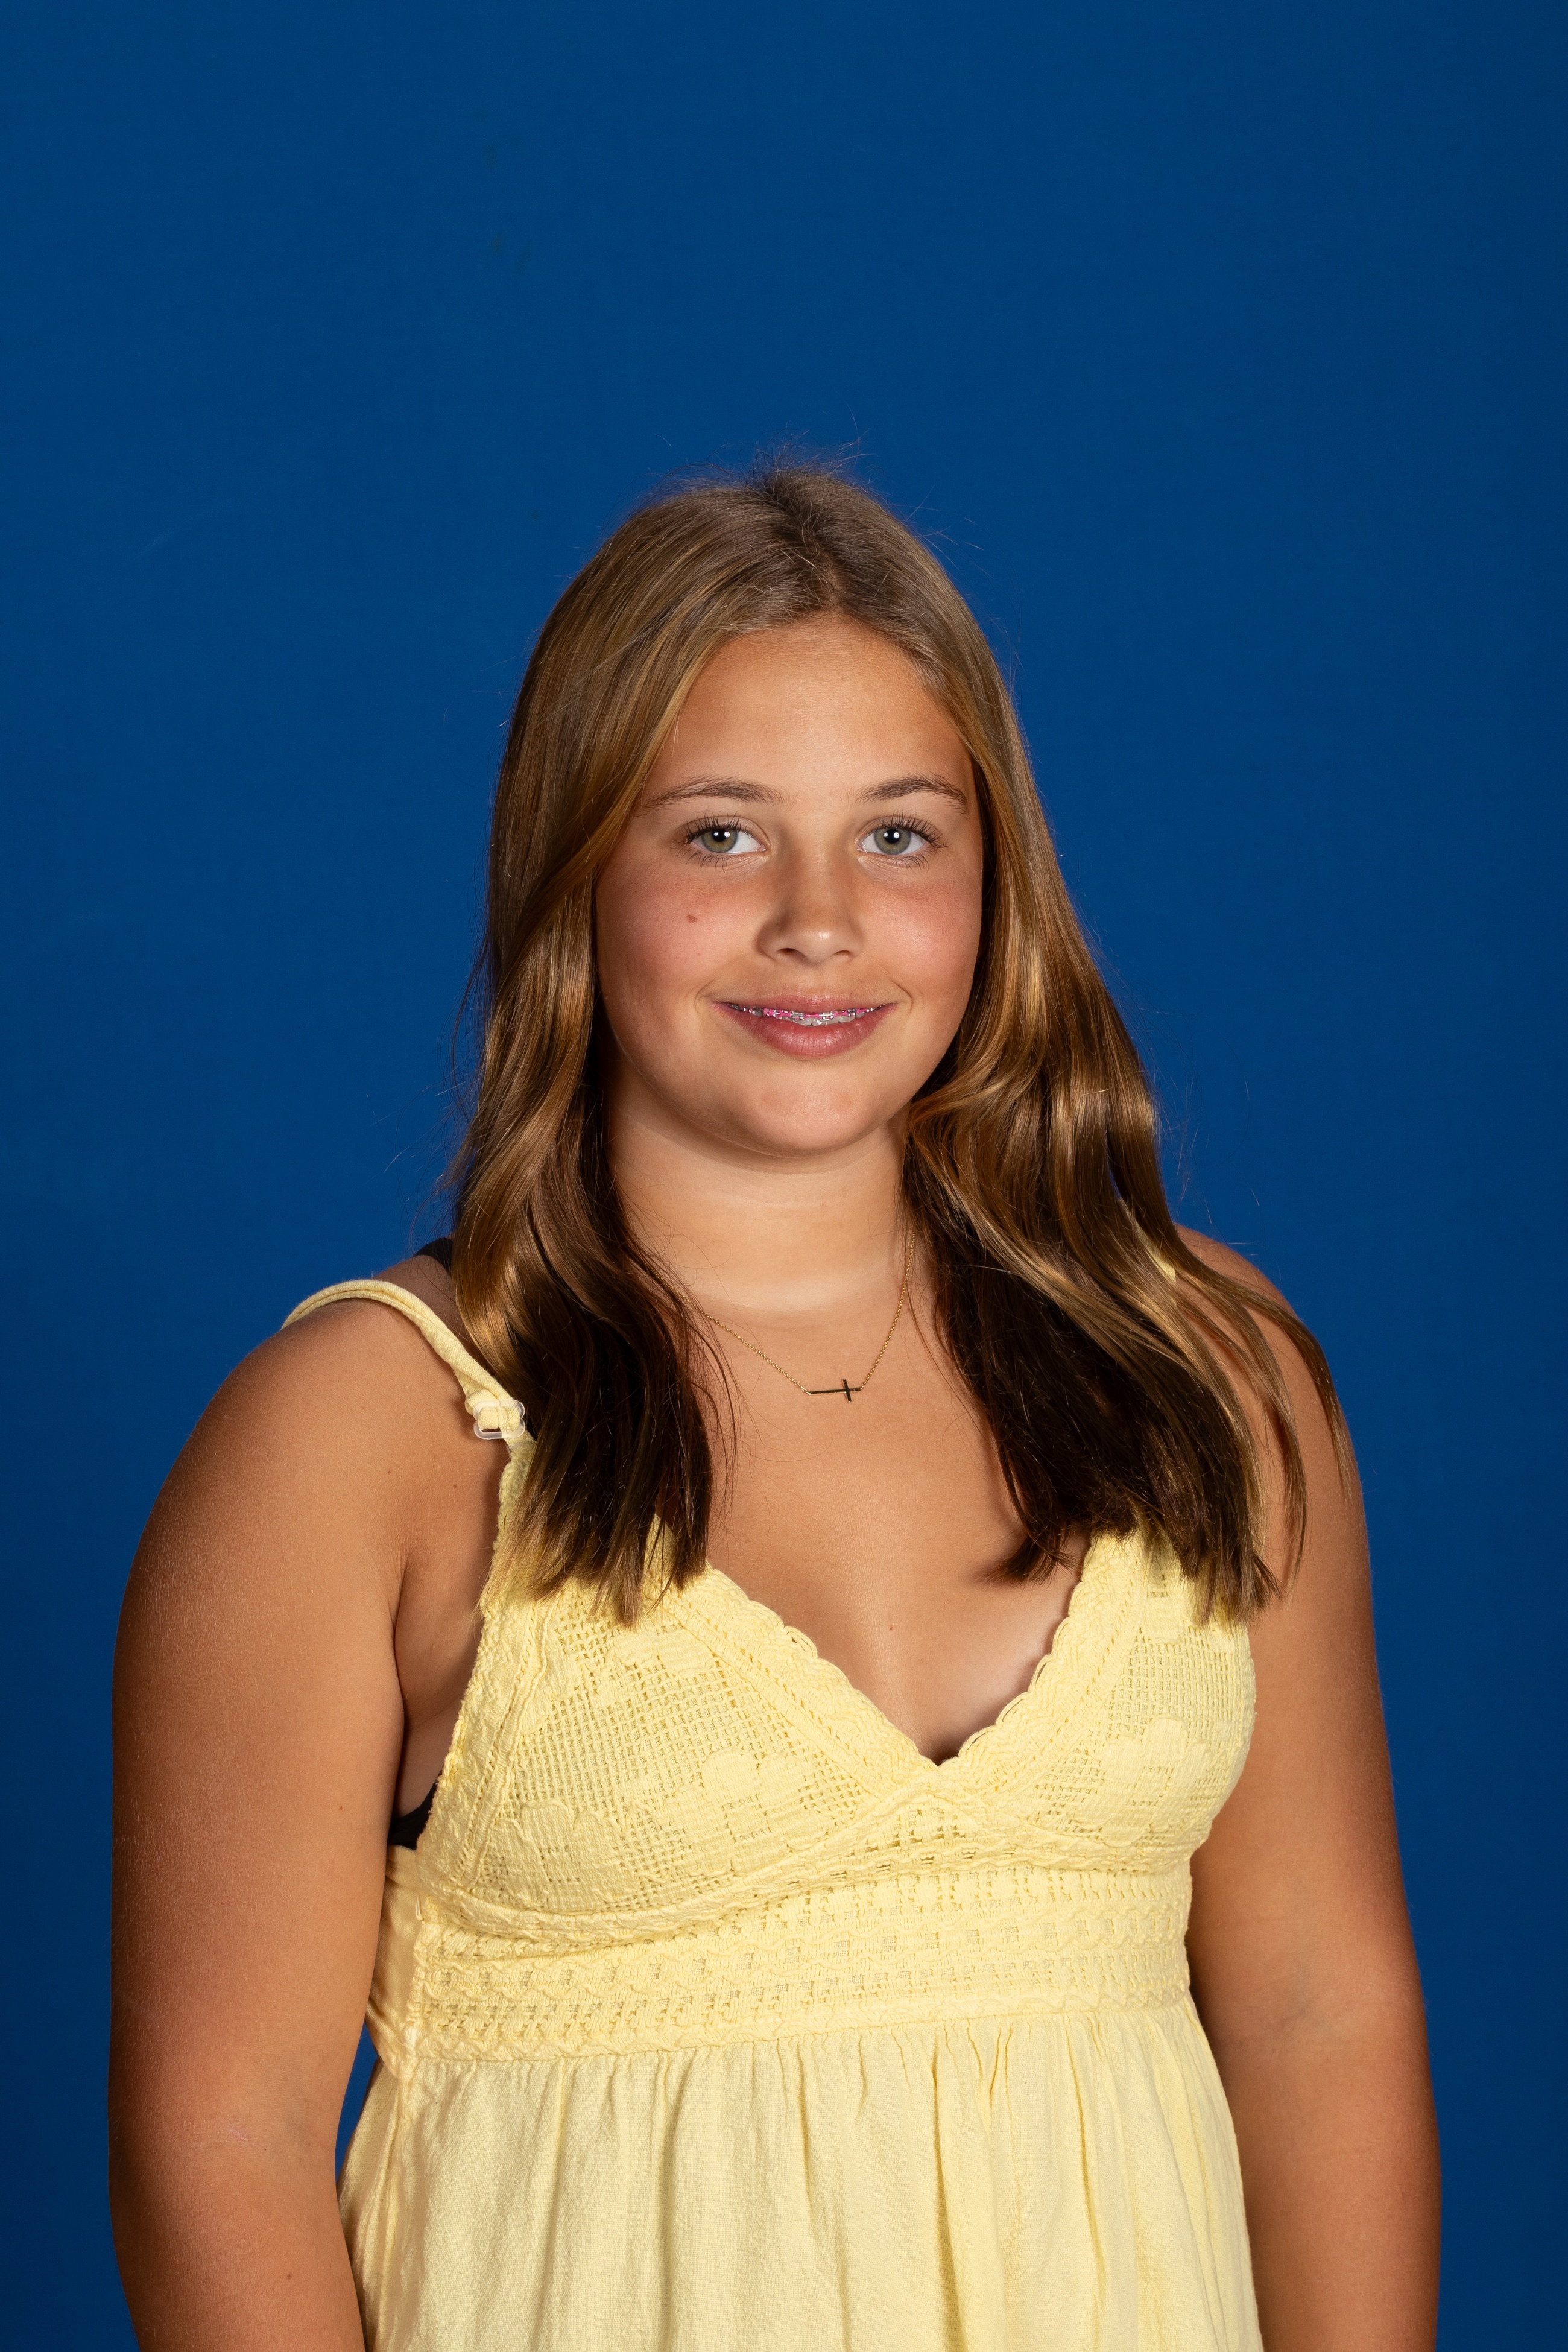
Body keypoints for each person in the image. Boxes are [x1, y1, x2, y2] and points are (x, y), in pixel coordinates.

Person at [109, 465, 1440, 2351]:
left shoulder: (1206, 1363)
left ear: (995, 884)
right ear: (578, 871)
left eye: (899, 836)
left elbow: (1321, 2004)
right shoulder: (365, 1434)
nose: (821, 922)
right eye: (721, 834)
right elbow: (218, 2135)